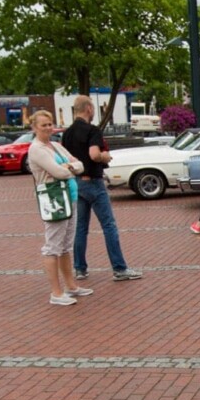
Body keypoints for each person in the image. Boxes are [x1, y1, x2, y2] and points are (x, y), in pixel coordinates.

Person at [62, 95, 142, 281]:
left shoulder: (67, 133)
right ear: (89, 108)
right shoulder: (92, 130)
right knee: (108, 225)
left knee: (81, 227)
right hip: (93, 182)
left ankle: (80, 268)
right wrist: (105, 156)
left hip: (76, 182)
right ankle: (119, 268)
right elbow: (94, 154)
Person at [28, 109, 92, 306]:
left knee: (65, 245)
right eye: (43, 125)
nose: (48, 128)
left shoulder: (55, 145)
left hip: (69, 196)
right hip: (54, 199)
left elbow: (79, 164)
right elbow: (58, 171)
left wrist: (69, 168)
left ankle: (71, 285)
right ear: (34, 127)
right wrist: (70, 169)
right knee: (53, 246)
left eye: (50, 124)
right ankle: (56, 292)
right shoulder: (37, 149)